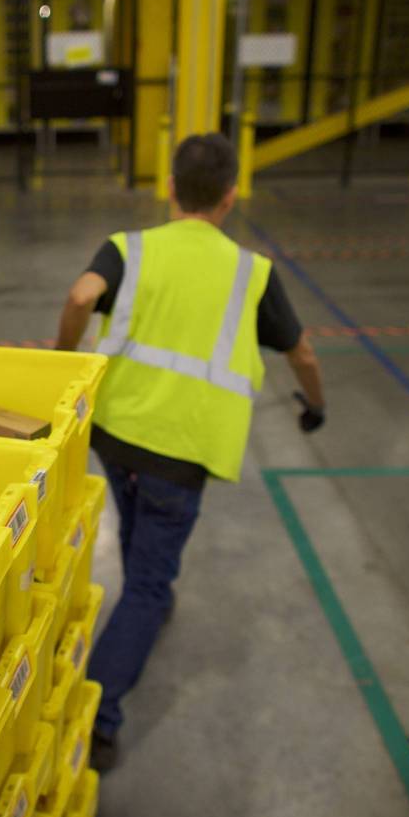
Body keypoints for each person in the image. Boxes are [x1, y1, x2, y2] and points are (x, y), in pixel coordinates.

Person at [54, 132, 326, 772]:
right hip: (184, 450)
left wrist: (63, 359)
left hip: (116, 432)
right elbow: (303, 354)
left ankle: (148, 605)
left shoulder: (130, 249)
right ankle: (98, 716)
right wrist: (316, 405)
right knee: (147, 583)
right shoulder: (253, 273)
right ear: (231, 196)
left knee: (134, 516)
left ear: (170, 187)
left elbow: (79, 296)